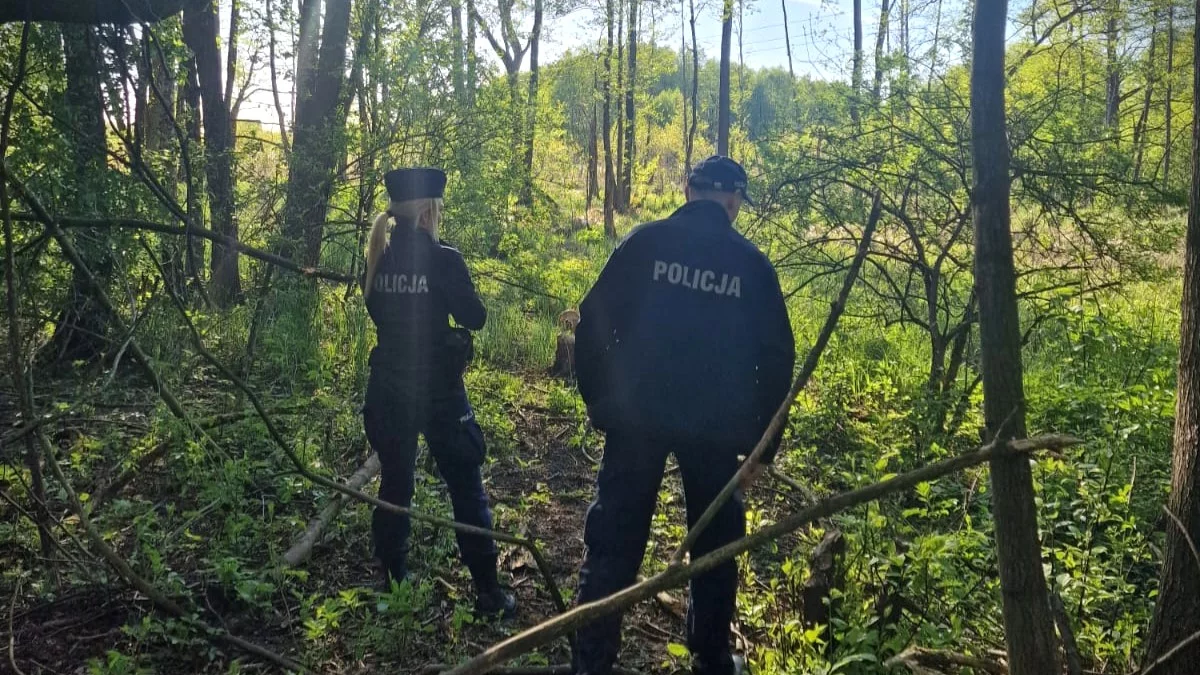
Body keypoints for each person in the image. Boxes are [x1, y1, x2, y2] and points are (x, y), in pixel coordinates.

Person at [572, 156, 796, 675]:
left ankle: (592, 659)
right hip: (716, 431)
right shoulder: (752, 267)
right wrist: (763, 445)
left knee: (614, 542)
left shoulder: (644, 243)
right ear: (734, 202)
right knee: (715, 543)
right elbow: (777, 362)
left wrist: (599, 399)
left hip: (636, 419)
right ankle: (711, 658)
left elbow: (592, 322)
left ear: (689, 190)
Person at [361, 167, 516, 618]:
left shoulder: (379, 255)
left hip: (388, 386)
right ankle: (488, 592)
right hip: (440, 391)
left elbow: (378, 310)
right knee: (465, 483)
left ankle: (394, 582)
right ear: (430, 210)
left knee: (395, 482)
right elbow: (475, 317)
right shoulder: (444, 259)